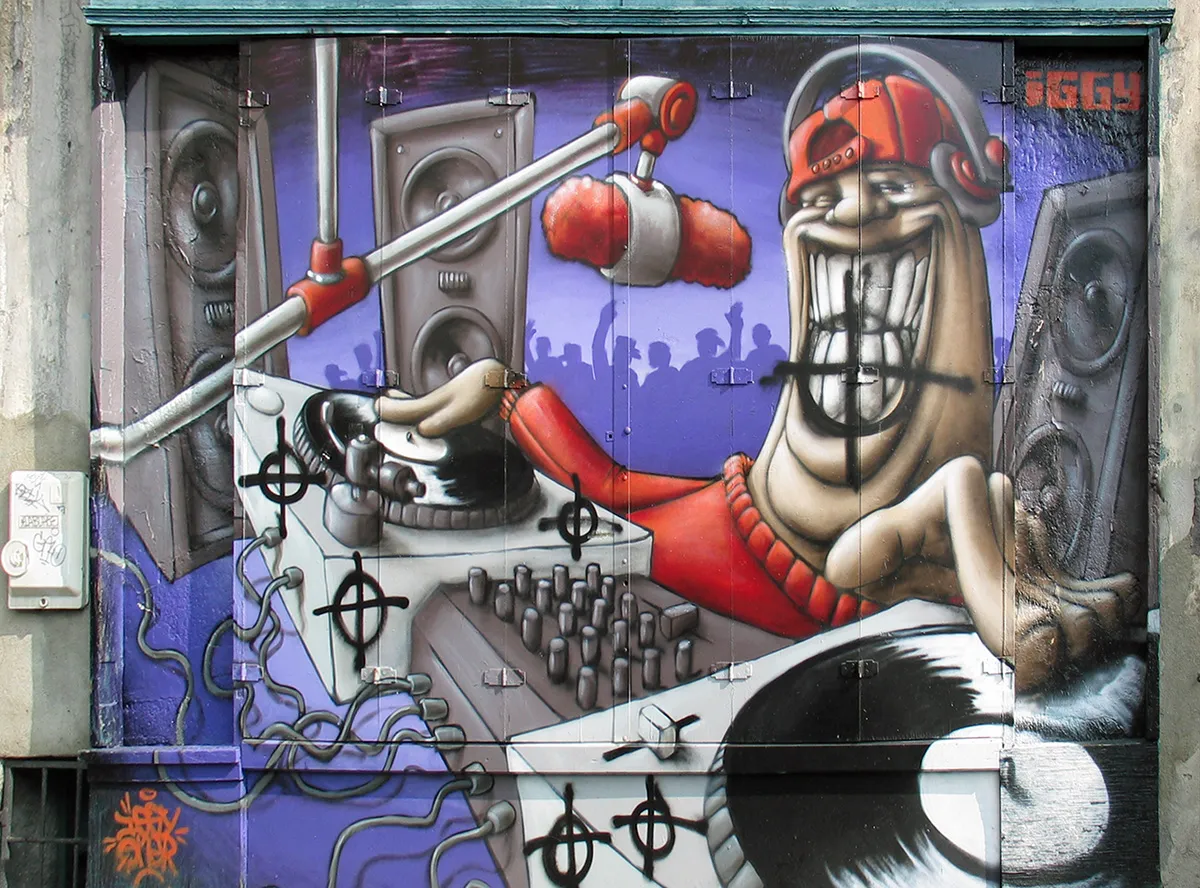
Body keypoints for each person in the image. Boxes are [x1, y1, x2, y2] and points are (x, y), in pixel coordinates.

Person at [377, 51, 1135, 691]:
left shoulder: (948, 518)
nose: (850, 216)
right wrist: (504, 394)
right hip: (739, 522)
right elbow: (607, 488)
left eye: (891, 189)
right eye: (824, 197)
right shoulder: (735, 525)